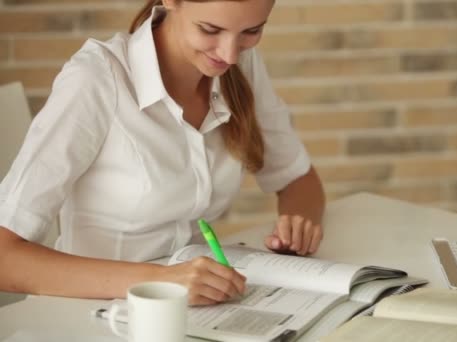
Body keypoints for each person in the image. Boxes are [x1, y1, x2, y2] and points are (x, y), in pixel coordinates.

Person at [0, 0, 325, 306]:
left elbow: (298, 178)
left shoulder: (241, 66)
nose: (230, 54)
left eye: (252, 31)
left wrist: (298, 223)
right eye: (210, 30)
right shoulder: (97, 79)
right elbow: (5, 258)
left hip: (198, 304)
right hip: (96, 312)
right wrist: (163, 281)